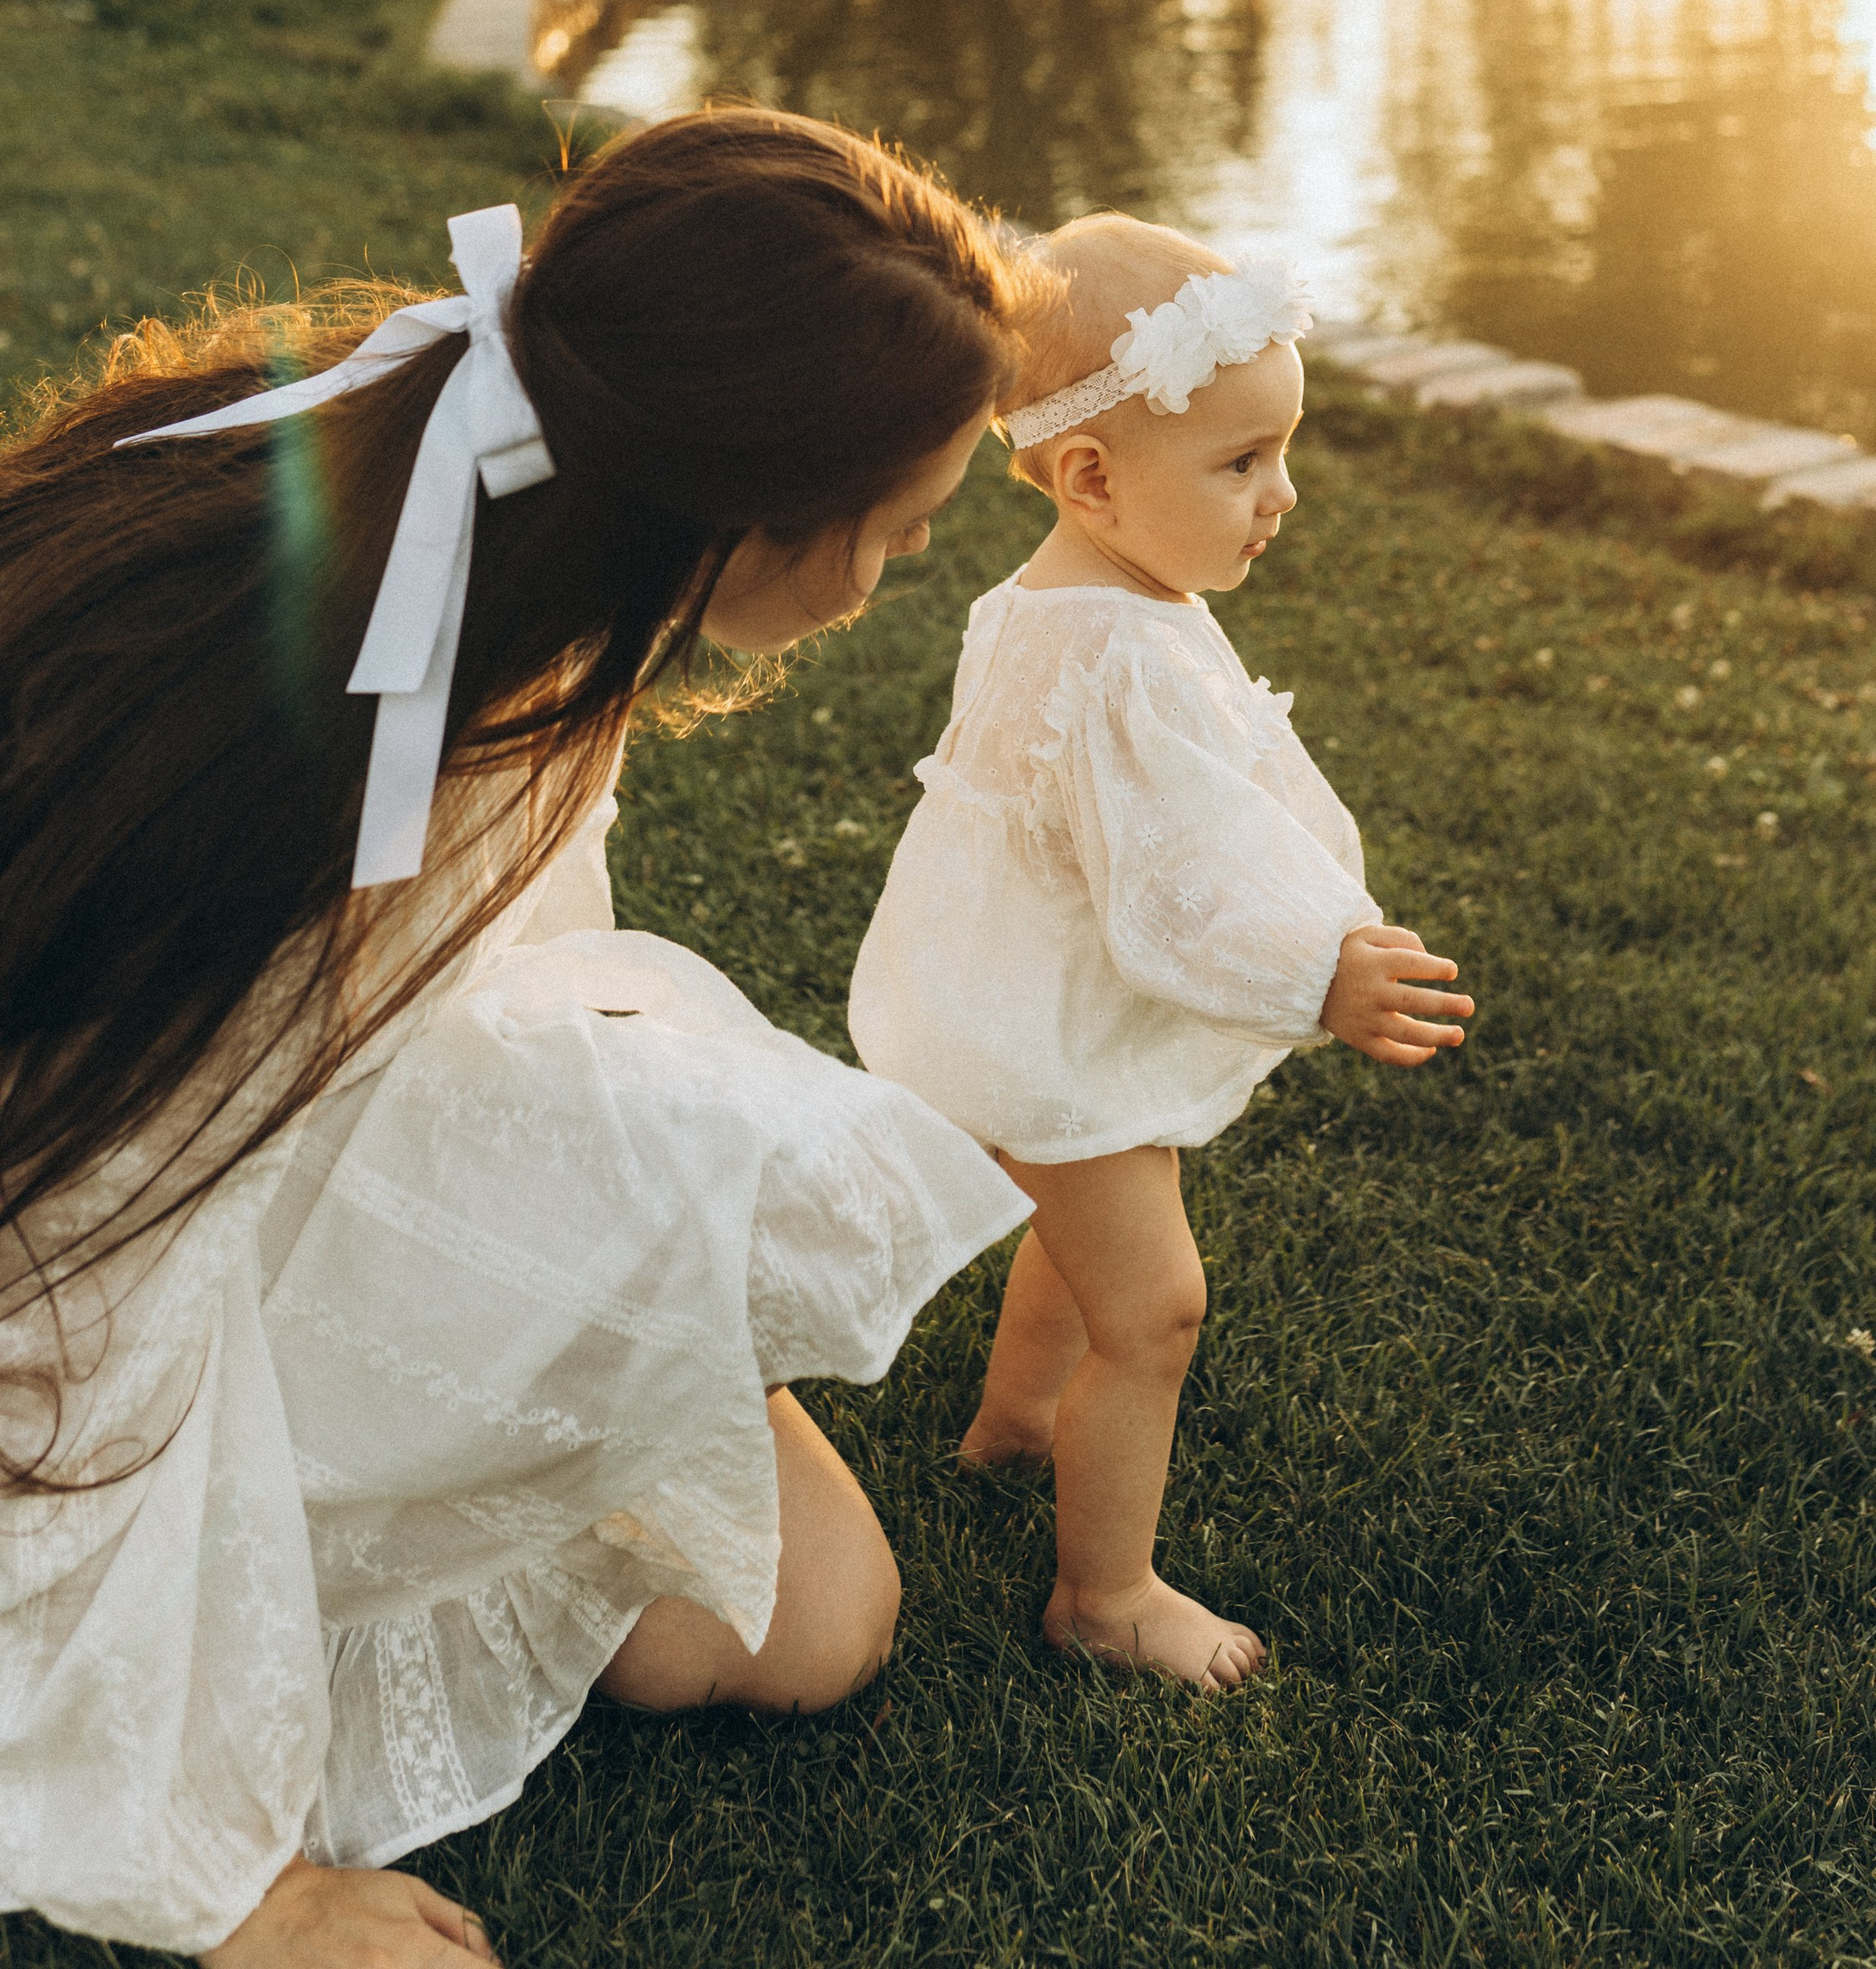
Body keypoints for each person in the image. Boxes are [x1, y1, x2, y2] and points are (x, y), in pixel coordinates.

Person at [0, 109, 1047, 1963]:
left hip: (308, 1163)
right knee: (781, 1625)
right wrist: (236, 1887)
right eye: (898, 531)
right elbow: (86, 1270)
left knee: (807, 1628)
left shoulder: (502, 543)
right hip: (83, 1248)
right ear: (744, 511)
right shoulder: (332, 756)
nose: (888, 579)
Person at [849, 215, 1475, 1692]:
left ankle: (1009, 1429)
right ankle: (1106, 1595)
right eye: (1242, 463)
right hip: (1048, 1022)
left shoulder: (1063, 601)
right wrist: (1318, 967)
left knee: (1082, 1232)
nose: (1283, 495)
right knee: (1157, 1305)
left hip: (1008, 1004)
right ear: (1090, 476)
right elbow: (1175, 877)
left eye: (1284, 451)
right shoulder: (1122, 652)